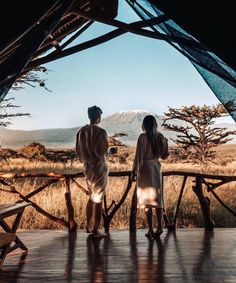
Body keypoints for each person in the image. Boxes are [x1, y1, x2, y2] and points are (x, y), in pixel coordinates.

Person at [132, 115, 168, 239]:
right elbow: (164, 156)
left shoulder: (142, 137)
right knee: (157, 198)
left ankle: (150, 229)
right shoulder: (160, 137)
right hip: (156, 168)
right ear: (155, 124)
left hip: (145, 169)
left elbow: (138, 156)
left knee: (146, 200)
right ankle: (160, 226)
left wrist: (134, 171)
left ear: (144, 125)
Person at [76, 106, 109, 238]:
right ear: (98, 117)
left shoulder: (81, 132)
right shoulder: (101, 132)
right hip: (99, 168)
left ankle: (88, 225)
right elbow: (103, 153)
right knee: (98, 199)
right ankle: (96, 229)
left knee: (91, 197)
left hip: (87, 168)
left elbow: (79, 153)